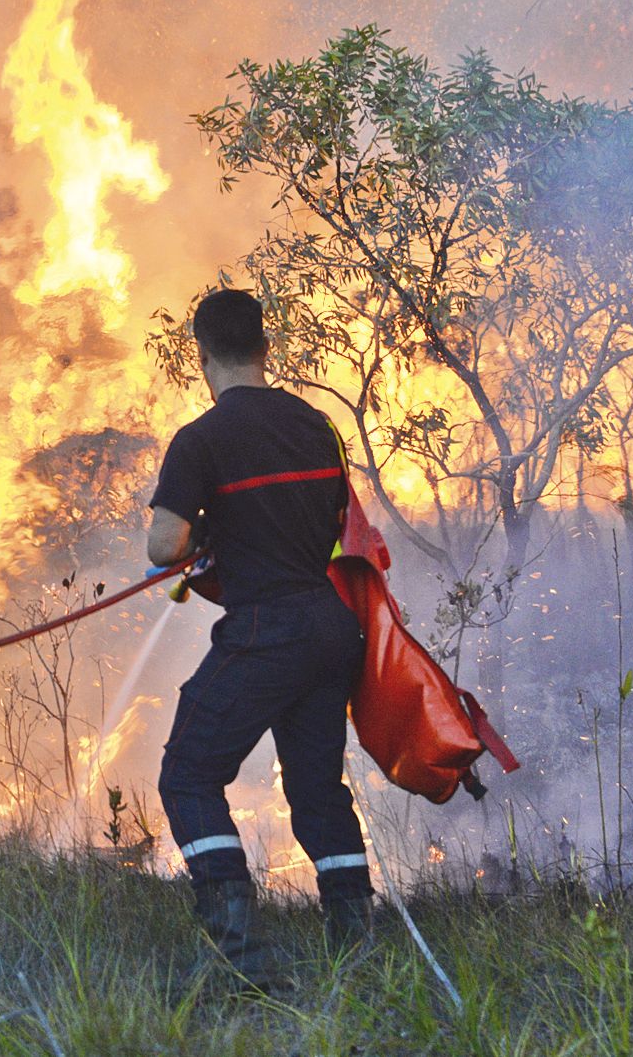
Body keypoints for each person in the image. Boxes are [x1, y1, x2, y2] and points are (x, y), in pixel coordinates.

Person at [147, 288, 374, 984]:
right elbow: (332, 519)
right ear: (265, 349)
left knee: (188, 773)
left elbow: (164, 545)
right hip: (330, 627)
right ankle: (355, 944)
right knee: (315, 788)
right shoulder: (316, 425)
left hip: (265, 629)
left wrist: (208, 529)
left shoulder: (201, 439)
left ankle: (237, 951)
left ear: (201, 356)